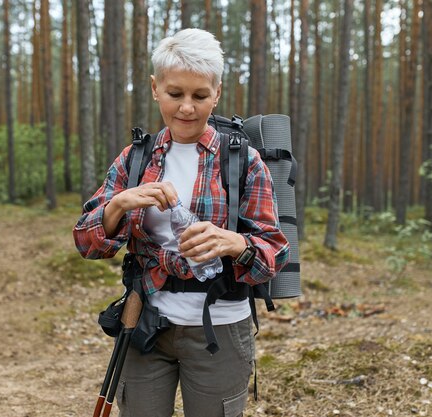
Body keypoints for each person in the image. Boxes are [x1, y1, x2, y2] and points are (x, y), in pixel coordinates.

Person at [73, 28, 289, 417]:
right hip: (144, 322)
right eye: (175, 94)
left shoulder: (241, 161)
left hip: (220, 330)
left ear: (217, 93)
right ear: (155, 88)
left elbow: (274, 253)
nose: (187, 107)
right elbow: (87, 244)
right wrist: (118, 204)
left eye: (200, 95)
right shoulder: (135, 159)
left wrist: (233, 243)